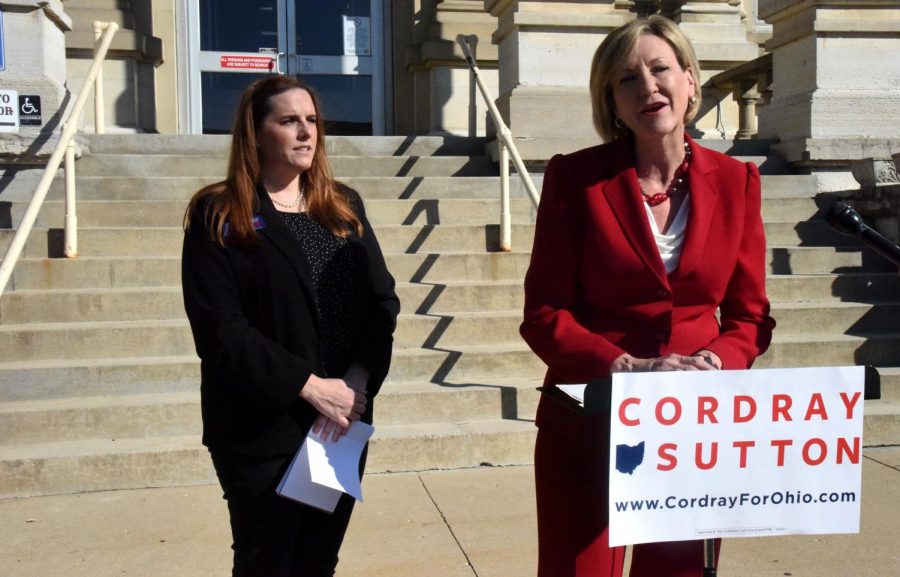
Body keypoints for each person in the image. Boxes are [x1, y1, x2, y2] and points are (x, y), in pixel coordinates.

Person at [519, 15, 776, 577]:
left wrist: (718, 359)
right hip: (587, 415)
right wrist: (626, 365)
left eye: (660, 70)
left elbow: (749, 315)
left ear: (689, 80)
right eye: (626, 80)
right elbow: (543, 315)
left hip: (691, 425)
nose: (648, 88)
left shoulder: (738, 182)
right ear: (611, 101)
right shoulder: (575, 179)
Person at [181, 75, 399, 577]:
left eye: (312, 121)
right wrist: (309, 387)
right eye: (288, 121)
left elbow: (380, 304)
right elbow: (220, 331)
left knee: (317, 560)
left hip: (339, 423)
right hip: (261, 427)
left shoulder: (342, 206)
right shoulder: (221, 213)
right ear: (256, 134)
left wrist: (355, 384)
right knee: (267, 562)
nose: (306, 132)